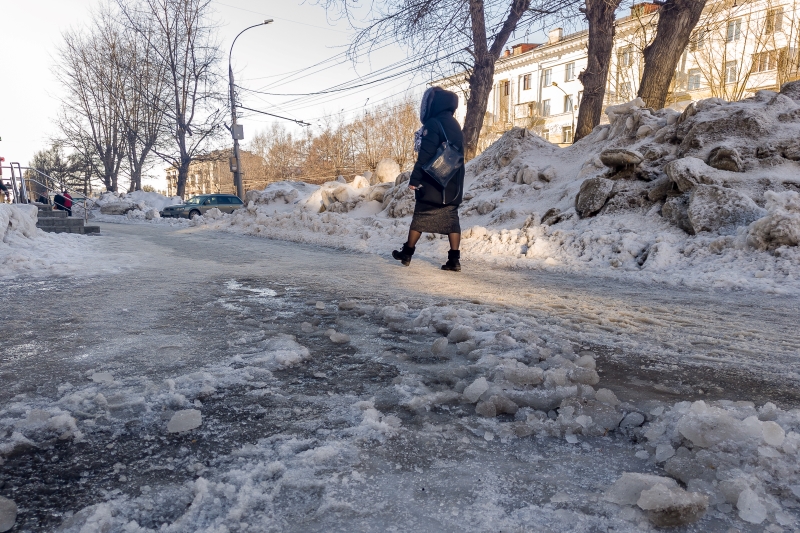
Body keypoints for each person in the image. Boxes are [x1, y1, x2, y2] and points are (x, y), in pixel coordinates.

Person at [392, 87, 465, 271]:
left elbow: (425, 155)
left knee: (421, 216)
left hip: (434, 180)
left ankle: (407, 254)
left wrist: (415, 179)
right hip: (453, 180)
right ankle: (454, 261)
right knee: (451, 219)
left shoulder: (433, 124)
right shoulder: (455, 124)